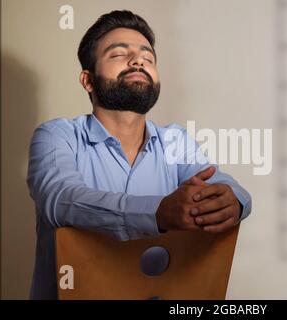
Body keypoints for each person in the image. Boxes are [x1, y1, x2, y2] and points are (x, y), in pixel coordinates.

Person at [26, 10, 252, 300]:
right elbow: (59, 200)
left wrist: (232, 200)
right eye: (119, 54)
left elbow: (227, 186)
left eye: (148, 56)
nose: (138, 60)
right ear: (88, 81)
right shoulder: (58, 135)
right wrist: (158, 212)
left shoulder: (175, 140)